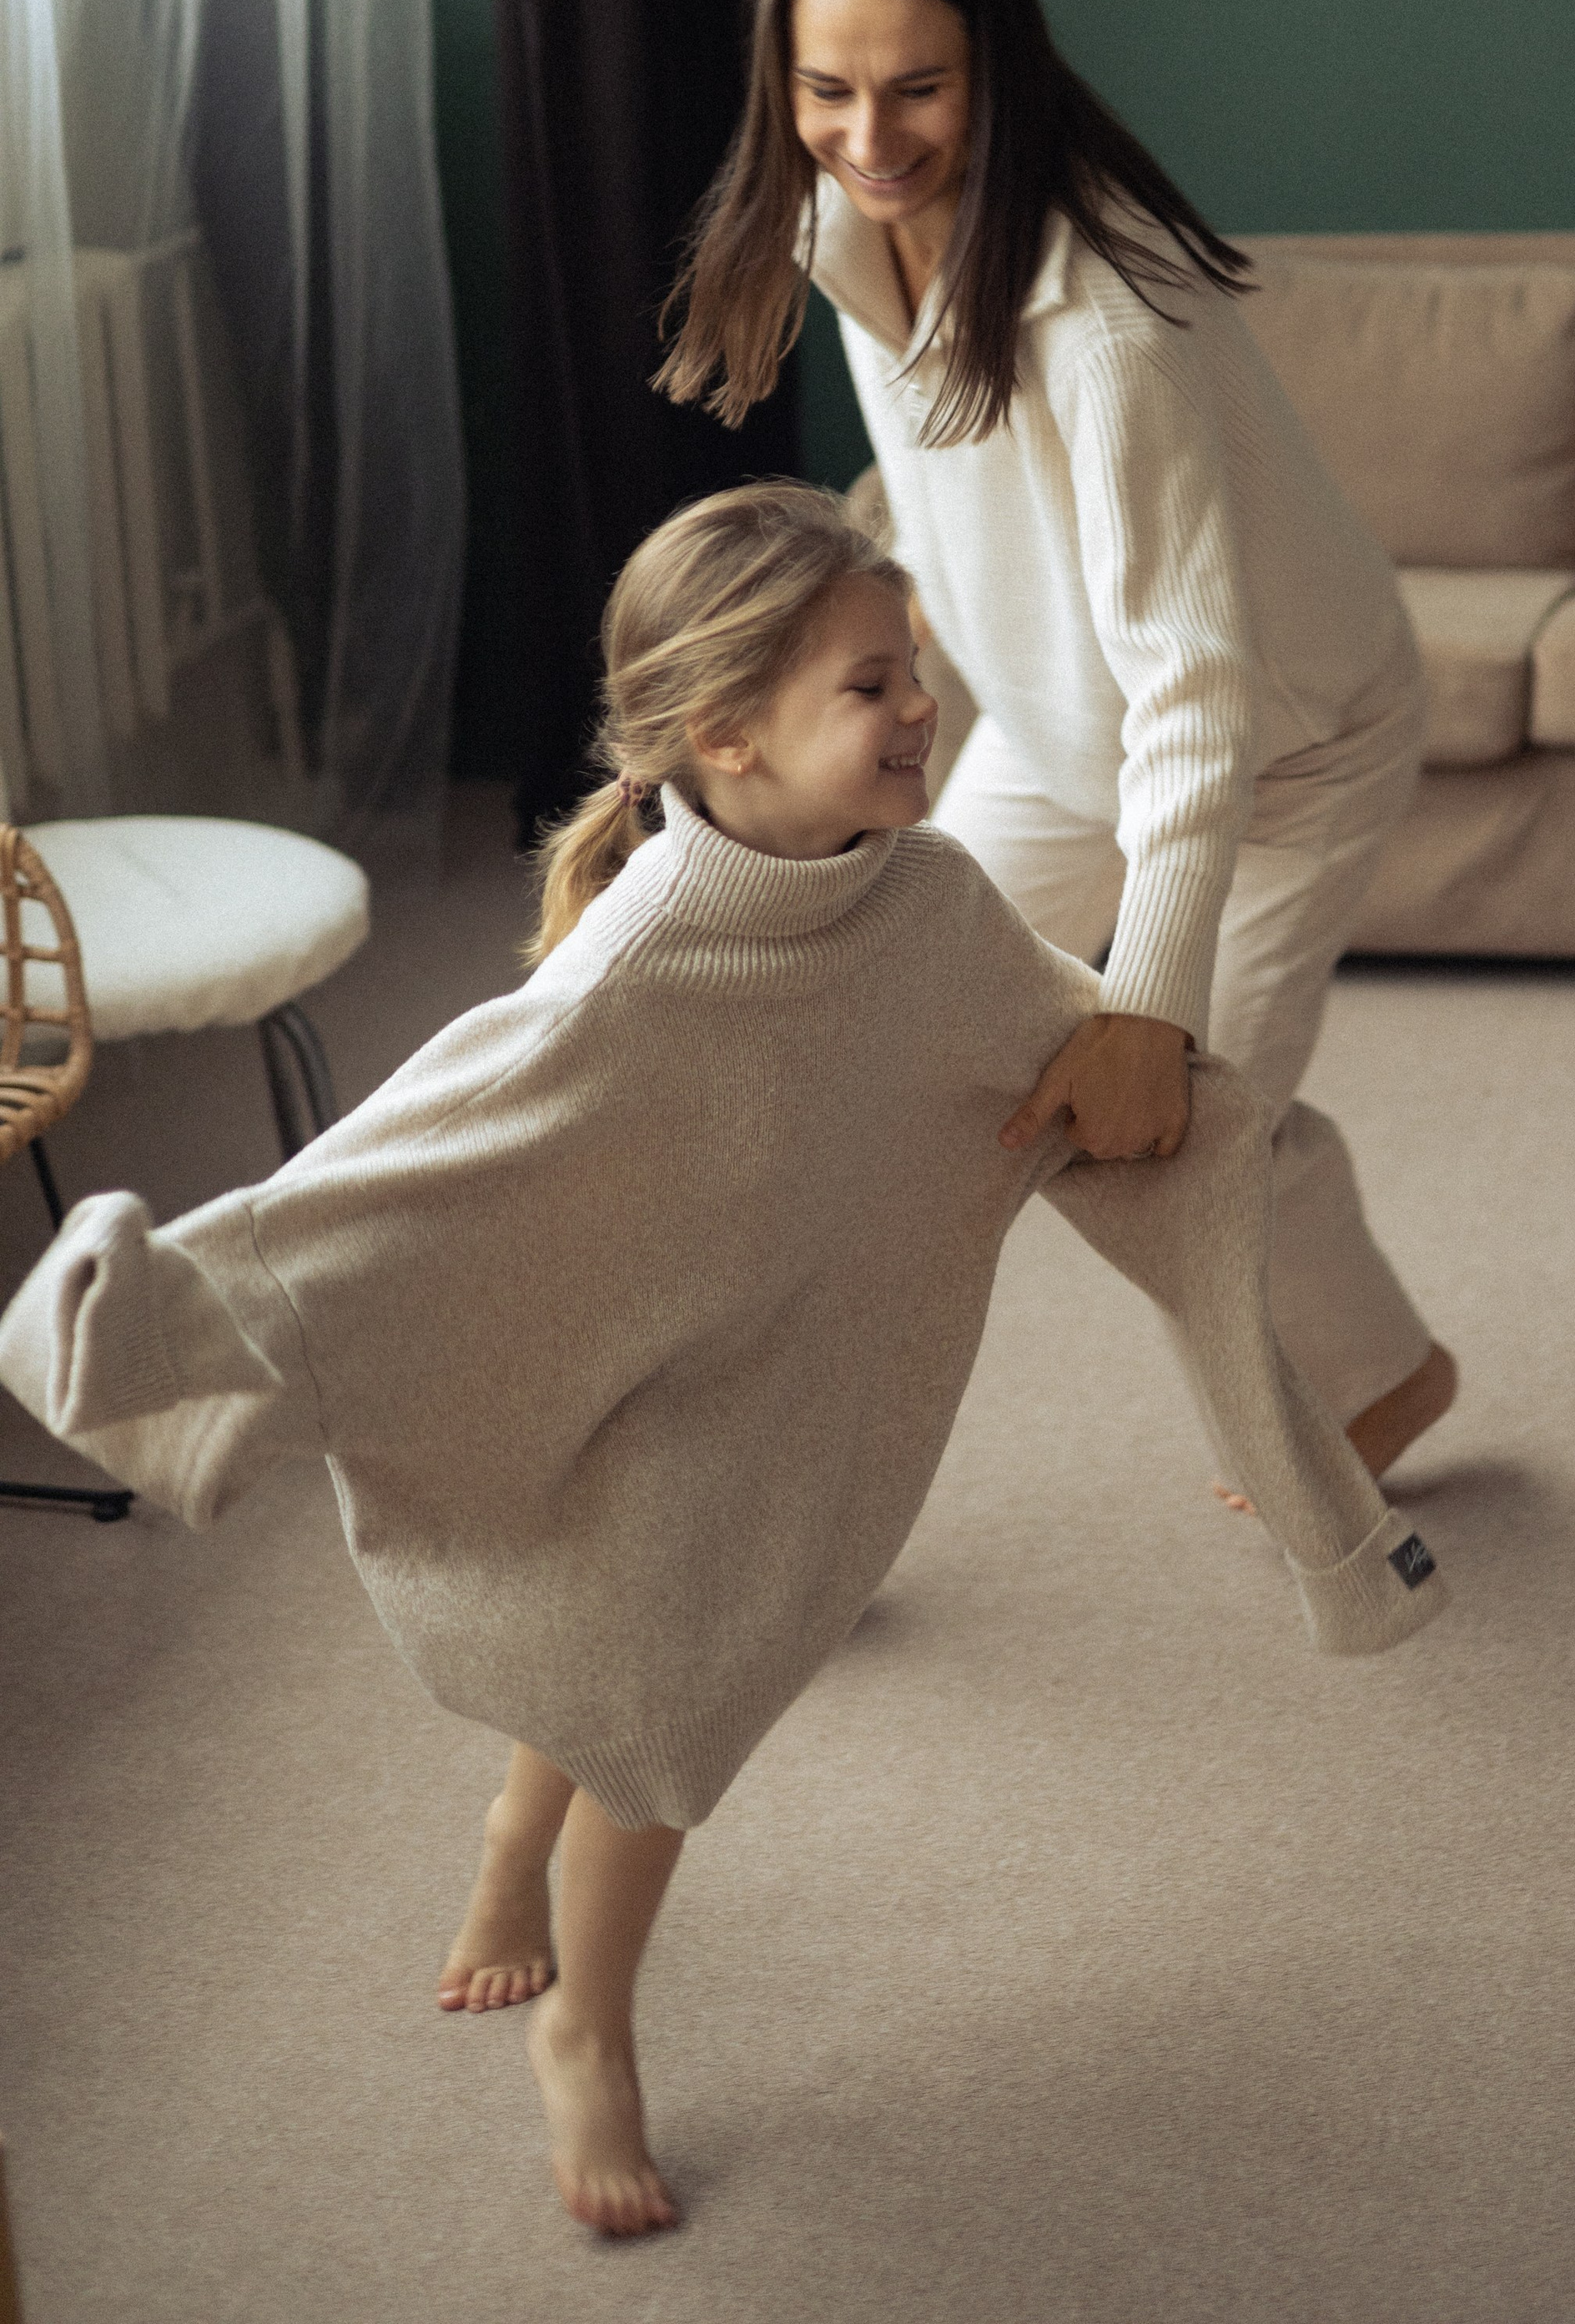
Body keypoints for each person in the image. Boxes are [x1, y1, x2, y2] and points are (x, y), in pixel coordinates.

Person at [0, 484, 1443, 2243]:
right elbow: (414, 1162)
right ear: (725, 738)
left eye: (911, 671)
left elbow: (1065, 1048)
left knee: (620, 1662)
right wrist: (171, 1308)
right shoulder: (639, 959)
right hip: (630, 1379)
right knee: (660, 1705)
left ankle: (507, 1853)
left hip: (808, 1394)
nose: (918, 708)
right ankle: (588, 2035)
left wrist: (1176, 1100)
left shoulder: (930, 899)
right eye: (867, 687)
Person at [661, 0, 1457, 1496]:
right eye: (826, 90)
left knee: (1176, 1128)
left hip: (1279, 746)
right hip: (1048, 727)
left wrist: (1146, 1009)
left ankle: (1374, 1377)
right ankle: (775, 1461)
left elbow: (1194, 689)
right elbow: (951, 486)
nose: (868, 139)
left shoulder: (1106, 314)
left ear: (994, 66)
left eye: (918, 89)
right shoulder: (834, 221)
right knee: (888, 1053)